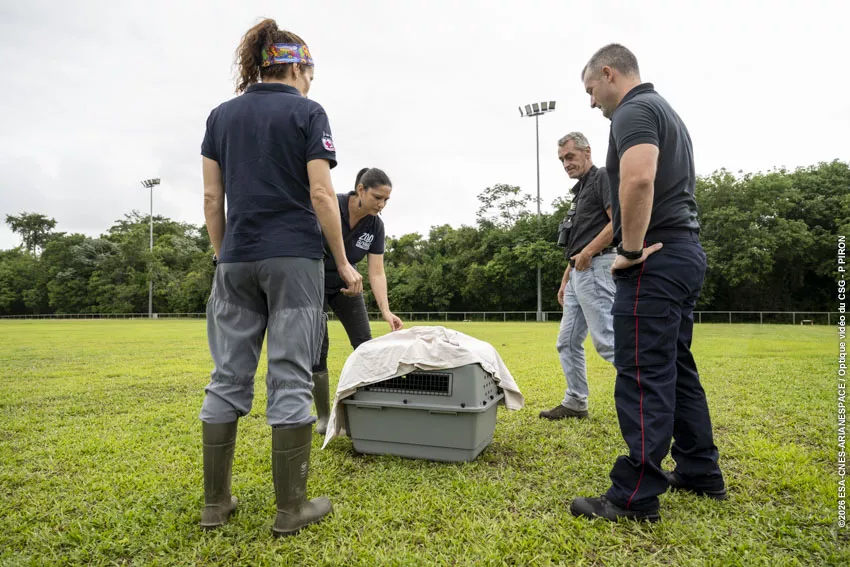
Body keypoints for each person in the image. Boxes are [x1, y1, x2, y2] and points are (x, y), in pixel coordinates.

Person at [198, 18, 362, 536]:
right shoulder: (308, 111)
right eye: (310, 71)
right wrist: (340, 260)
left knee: (227, 377)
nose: (312, 81)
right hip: (293, 259)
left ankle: (215, 505)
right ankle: (291, 509)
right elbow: (320, 194)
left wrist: (225, 258)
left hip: (237, 258)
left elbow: (210, 199)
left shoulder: (220, 116)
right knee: (290, 374)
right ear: (297, 64)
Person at [570, 44, 726, 522]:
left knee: (642, 374)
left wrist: (631, 252)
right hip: (684, 251)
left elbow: (638, 181)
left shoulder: (633, 111)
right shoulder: (666, 111)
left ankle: (633, 496)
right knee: (676, 367)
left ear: (609, 73)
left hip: (655, 257)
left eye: (591, 89)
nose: (592, 102)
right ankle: (700, 471)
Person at [311, 167, 404, 435]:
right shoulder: (330, 204)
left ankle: (369, 408)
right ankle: (324, 416)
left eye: (386, 200)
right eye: (377, 197)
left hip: (347, 286)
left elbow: (376, 271)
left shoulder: (375, 225)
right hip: (312, 281)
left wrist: (385, 311)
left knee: (365, 344)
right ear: (360, 189)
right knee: (319, 348)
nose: (382, 204)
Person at [540, 132, 616, 421]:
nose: (565, 164)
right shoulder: (580, 190)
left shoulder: (603, 177)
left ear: (587, 152)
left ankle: (653, 396)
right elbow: (579, 240)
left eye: (570, 157)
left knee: (607, 341)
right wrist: (566, 277)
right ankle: (575, 402)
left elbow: (617, 222)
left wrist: (587, 255)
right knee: (567, 341)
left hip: (596, 266)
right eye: (561, 159)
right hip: (578, 272)